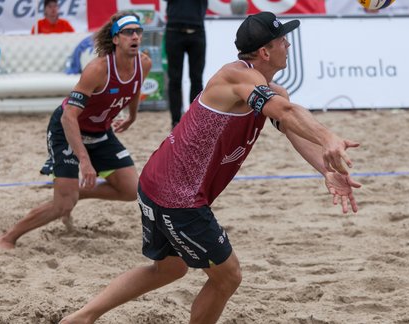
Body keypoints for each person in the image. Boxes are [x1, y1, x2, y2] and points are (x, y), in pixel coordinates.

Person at [60, 11, 361, 324]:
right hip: (178, 197)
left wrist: (324, 169)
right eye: (282, 39)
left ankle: (81, 317)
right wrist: (328, 136)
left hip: (158, 182)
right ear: (265, 52)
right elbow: (285, 112)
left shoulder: (270, 91)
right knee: (228, 277)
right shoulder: (235, 76)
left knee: (169, 268)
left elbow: (290, 125)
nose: (288, 44)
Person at [0, 11, 152, 250]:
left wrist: (131, 116)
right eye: (128, 32)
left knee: (131, 190)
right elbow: (69, 116)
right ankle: (8, 237)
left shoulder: (144, 63)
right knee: (62, 207)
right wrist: (84, 160)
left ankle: (77, 192)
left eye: (138, 31)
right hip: (66, 129)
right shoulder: (98, 69)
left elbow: (134, 88)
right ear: (116, 39)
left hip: (99, 131)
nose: (135, 36)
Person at [164, 0, 208, 128]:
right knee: (175, 79)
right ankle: (175, 121)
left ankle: (194, 119)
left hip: (197, 30)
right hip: (174, 31)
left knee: (196, 78)